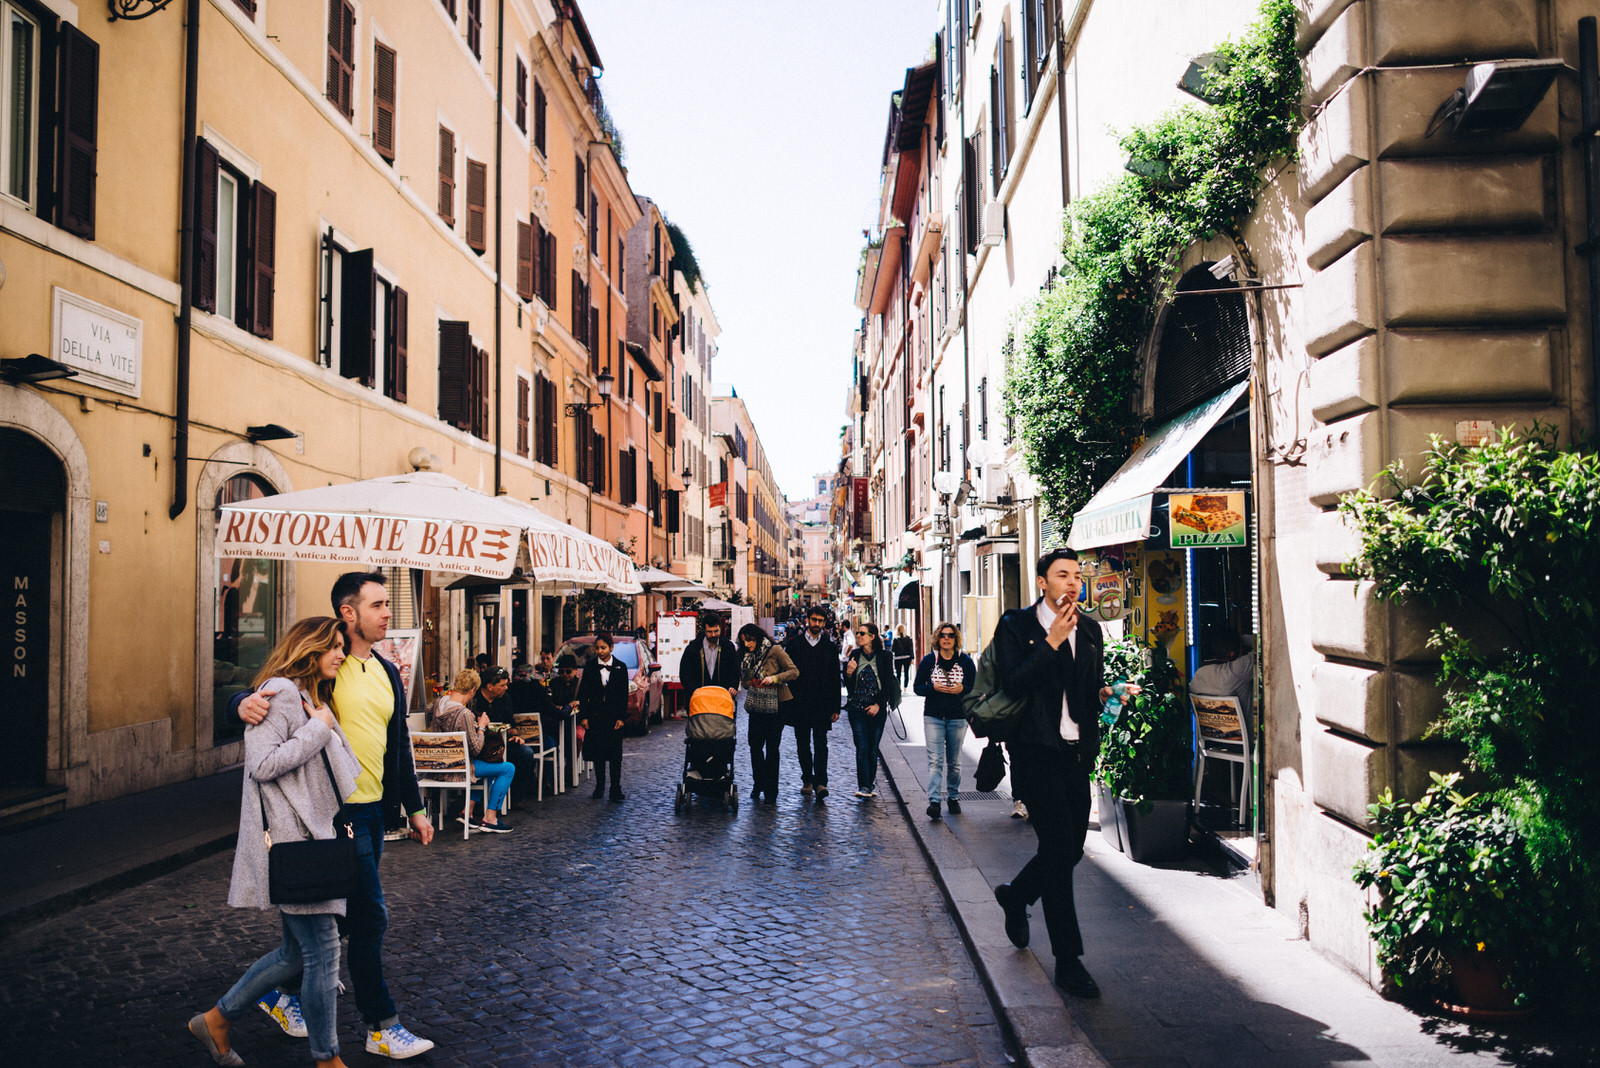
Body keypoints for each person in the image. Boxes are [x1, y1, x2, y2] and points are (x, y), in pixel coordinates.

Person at [234, 571, 435, 1060]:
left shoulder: (388, 671)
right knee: (369, 918)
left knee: (331, 923)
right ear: (349, 612)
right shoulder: (325, 660)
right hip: (333, 817)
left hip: (373, 814)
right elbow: (266, 694)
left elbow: (397, 748)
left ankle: (279, 997)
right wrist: (239, 702)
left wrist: (415, 807)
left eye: (388, 604)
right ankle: (381, 1024)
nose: (389, 613)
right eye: (379, 605)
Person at [189, 617, 360, 1068]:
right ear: (310, 648)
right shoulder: (282, 692)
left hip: (308, 839)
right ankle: (328, 1060)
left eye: (343, 647)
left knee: (294, 953)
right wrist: (317, 728)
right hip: (293, 841)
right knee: (323, 950)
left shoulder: (308, 696)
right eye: (334, 646)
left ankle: (216, 1020)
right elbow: (263, 765)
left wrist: (320, 722)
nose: (341, 654)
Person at [990, 548, 1134, 1000]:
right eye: (1062, 575)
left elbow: (1086, 692)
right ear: (1041, 582)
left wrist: (1109, 693)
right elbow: (1012, 683)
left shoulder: (1090, 630)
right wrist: (1051, 641)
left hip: (1076, 755)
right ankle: (1069, 961)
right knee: (1057, 848)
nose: (1072, 582)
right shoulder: (1017, 626)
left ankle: (1017, 895)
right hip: (1036, 755)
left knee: (1069, 850)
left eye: (1077, 575)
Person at [429, 669, 515, 832]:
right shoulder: (464, 713)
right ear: (472, 690)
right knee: (508, 768)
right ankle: (491, 818)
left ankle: (467, 812)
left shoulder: (439, 704)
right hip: (457, 769)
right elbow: (475, 749)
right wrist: (481, 727)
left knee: (486, 766)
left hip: (436, 766)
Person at [913, 622, 977, 821]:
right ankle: (934, 801)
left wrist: (962, 689)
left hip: (958, 717)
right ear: (937, 639)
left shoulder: (966, 661)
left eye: (950, 635)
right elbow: (917, 687)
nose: (946, 639)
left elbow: (975, 689)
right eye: (942, 635)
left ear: (955, 638)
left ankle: (953, 797)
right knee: (935, 761)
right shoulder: (929, 661)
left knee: (955, 762)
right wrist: (933, 688)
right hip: (933, 716)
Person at [782, 607, 842, 801]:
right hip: (800, 703)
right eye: (814, 620)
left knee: (821, 743)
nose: (817, 624)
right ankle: (807, 778)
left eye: (820, 621)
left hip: (822, 703)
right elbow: (787, 674)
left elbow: (835, 678)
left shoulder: (830, 647)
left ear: (825, 622)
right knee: (803, 744)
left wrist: (836, 706)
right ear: (808, 620)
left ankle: (821, 782)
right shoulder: (794, 645)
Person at [737, 622, 798, 803]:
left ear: (758, 638)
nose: (747, 644)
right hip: (757, 705)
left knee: (772, 748)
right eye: (744, 642)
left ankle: (771, 789)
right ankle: (759, 783)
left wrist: (775, 678)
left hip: (777, 705)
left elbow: (794, 672)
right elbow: (745, 683)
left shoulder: (775, 650)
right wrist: (751, 681)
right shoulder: (745, 656)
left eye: (750, 640)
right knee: (755, 746)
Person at [843, 622, 900, 799]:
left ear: (872, 636)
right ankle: (864, 786)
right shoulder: (855, 654)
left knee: (873, 749)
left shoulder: (885, 656)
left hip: (877, 709)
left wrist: (878, 705)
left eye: (862, 633)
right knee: (862, 746)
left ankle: (870, 782)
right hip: (857, 709)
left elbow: (888, 683)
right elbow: (850, 688)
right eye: (858, 633)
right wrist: (849, 674)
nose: (858, 636)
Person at [476, 665, 542, 808]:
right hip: (482, 746)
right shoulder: (475, 700)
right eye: (503, 685)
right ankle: (480, 801)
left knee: (526, 753)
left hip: (504, 743)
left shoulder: (505, 698)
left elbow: (511, 723)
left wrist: (515, 734)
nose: (506, 688)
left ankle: (516, 797)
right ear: (490, 686)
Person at [578, 632, 629, 801]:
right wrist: (584, 717)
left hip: (614, 717)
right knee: (598, 754)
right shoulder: (590, 667)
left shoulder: (621, 667)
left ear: (611, 648)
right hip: (596, 716)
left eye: (603, 648)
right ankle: (599, 787)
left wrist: (621, 717)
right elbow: (583, 693)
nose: (599, 651)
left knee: (615, 754)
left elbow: (623, 695)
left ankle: (616, 788)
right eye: (597, 648)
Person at [1190, 623, 1254, 724]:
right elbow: (1264, 648)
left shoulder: (1198, 674)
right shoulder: (1236, 670)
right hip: (1244, 739)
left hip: (1211, 737)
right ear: (1232, 653)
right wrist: (1242, 639)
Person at [679, 613, 740, 698]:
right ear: (704, 630)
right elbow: (685, 672)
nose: (713, 635)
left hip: (722, 698)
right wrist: (693, 690)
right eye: (709, 632)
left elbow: (735, 669)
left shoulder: (728, 647)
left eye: (716, 631)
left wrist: (733, 686)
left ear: (721, 629)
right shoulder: (693, 648)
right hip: (699, 698)